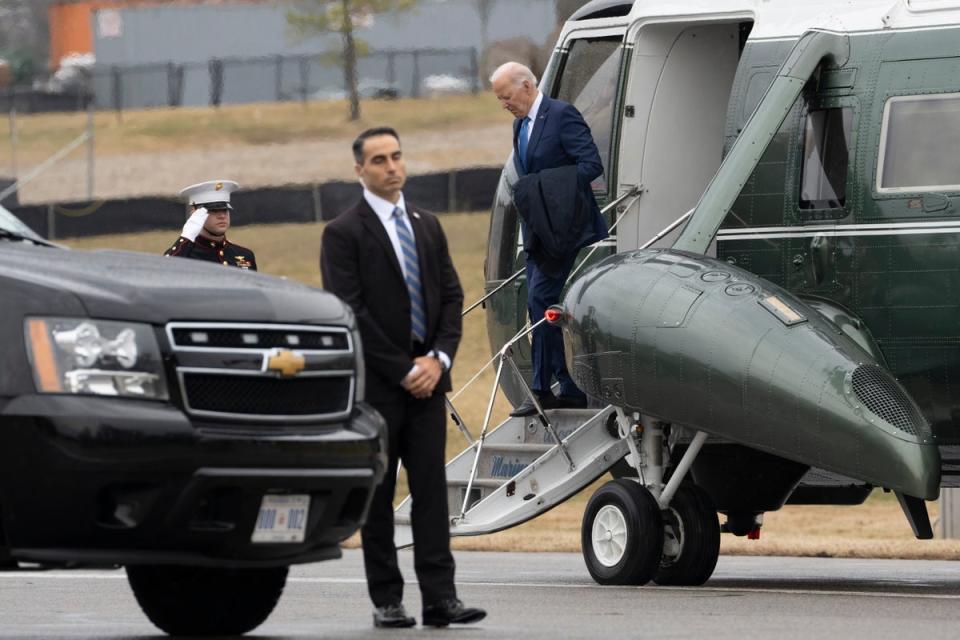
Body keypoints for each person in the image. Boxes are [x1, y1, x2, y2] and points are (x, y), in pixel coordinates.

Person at [320, 127, 485, 629]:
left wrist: (438, 359)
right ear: (360, 171)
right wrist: (403, 368)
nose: (392, 166)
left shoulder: (427, 224)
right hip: (381, 384)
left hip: (430, 379)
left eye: (396, 156)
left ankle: (441, 598)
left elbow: (452, 298)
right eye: (379, 160)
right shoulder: (344, 233)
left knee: (432, 493)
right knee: (380, 492)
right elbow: (351, 309)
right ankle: (387, 599)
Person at [490, 61, 608, 418]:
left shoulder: (561, 116)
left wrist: (542, 189)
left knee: (542, 300)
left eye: (507, 96)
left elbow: (590, 165)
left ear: (527, 86)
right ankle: (567, 386)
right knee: (537, 305)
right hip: (538, 233)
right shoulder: (519, 125)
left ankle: (541, 390)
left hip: (565, 228)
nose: (505, 104)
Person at [164, 180, 257, 270]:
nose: (222, 216)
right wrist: (186, 237)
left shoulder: (245, 255)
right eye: (214, 210)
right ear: (195, 214)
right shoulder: (185, 256)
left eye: (225, 210)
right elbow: (164, 271)